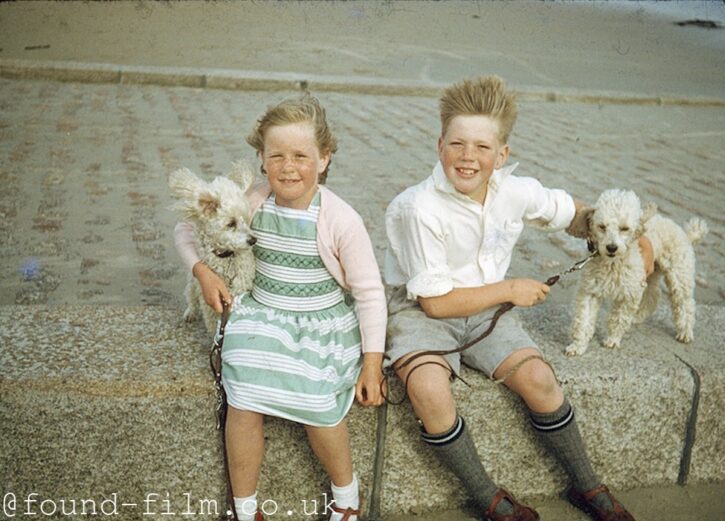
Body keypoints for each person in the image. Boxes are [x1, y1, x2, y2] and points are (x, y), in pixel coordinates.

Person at [384, 76, 646, 521]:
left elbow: (579, 216)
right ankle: (485, 494)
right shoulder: (418, 207)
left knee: (541, 379)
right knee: (428, 389)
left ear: (501, 155)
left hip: (486, 309)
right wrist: (511, 290)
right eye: (458, 144)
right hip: (421, 310)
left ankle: (586, 485)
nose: (469, 157)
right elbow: (436, 304)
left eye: (483, 148)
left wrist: (635, 236)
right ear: (439, 144)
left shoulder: (515, 189)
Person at [175, 95, 386, 521]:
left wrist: (372, 364)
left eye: (301, 156)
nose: (289, 167)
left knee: (318, 399)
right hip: (263, 312)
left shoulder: (340, 219)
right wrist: (203, 272)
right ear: (261, 158)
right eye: (277, 156)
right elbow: (185, 227)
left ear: (324, 159)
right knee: (243, 394)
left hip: (321, 322)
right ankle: (244, 507)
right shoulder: (253, 200)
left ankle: (346, 498)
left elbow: (369, 293)